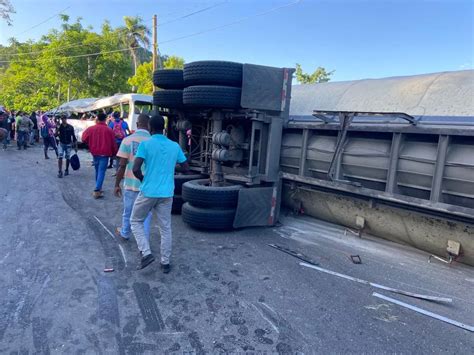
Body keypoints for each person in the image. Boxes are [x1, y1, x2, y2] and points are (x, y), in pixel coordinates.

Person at [130, 115, 189, 272]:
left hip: (148, 191)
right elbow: (185, 168)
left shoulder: (145, 144)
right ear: (163, 127)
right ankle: (165, 262)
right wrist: (170, 167)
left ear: (149, 127)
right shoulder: (174, 146)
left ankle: (146, 252)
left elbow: (135, 169)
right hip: (166, 193)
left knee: (135, 221)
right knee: (165, 228)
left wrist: (143, 179)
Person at [114, 114, 152, 241]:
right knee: (145, 215)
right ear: (149, 125)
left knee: (128, 211)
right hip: (147, 185)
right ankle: (144, 241)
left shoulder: (127, 140)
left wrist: (116, 184)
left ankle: (125, 232)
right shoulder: (153, 142)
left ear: (137, 124)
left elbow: (122, 166)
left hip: (130, 184)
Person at [82, 112, 117, 199]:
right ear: (105, 119)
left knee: (97, 170)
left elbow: (83, 138)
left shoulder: (91, 129)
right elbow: (113, 144)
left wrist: (89, 144)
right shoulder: (109, 130)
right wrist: (114, 153)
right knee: (101, 171)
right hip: (105, 153)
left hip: (94, 152)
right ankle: (97, 190)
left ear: (97, 119)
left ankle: (98, 187)